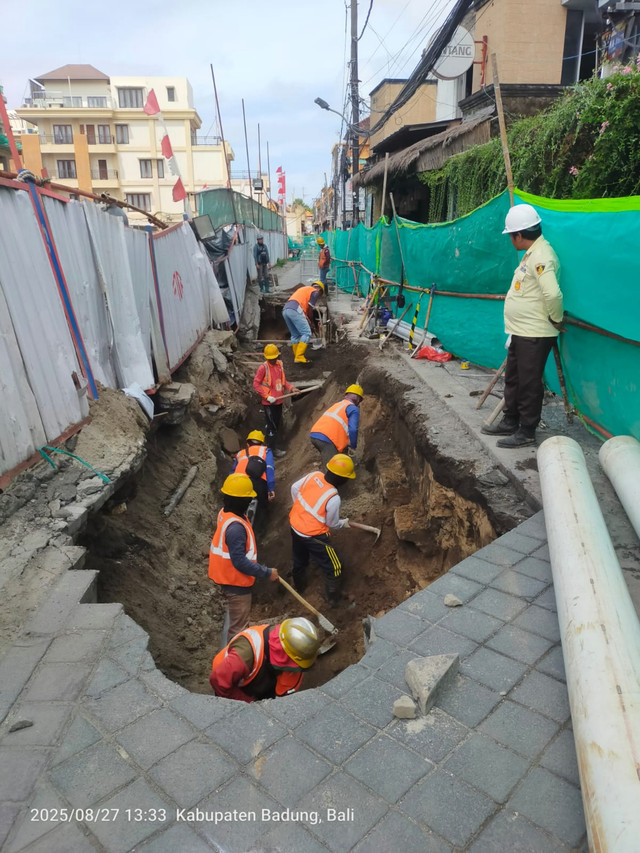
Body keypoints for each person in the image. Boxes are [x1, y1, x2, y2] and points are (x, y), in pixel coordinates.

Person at [482, 204, 564, 448]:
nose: (510, 239)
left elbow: (553, 294)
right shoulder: (531, 254)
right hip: (522, 331)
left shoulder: (542, 256)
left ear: (519, 235)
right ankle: (511, 420)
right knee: (514, 378)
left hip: (536, 332)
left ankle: (527, 430)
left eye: (510, 235)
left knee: (529, 381)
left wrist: (556, 319)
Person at [209, 473, 278, 644]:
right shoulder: (235, 528)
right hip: (236, 583)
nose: (250, 501)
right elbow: (239, 561)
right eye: (248, 499)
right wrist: (266, 572)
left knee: (236, 623)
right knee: (238, 629)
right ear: (242, 501)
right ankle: (233, 662)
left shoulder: (225, 513)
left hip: (227, 577)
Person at [289, 453, 355, 606]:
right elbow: (332, 524)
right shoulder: (333, 497)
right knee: (335, 566)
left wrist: (300, 508)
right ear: (342, 479)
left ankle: (300, 588)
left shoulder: (315, 475)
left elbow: (294, 488)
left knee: (299, 558)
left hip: (295, 524)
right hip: (312, 535)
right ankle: (333, 599)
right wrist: (343, 523)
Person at [209, 617, 321, 702]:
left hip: (261, 680)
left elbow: (283, 698)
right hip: (231, 684)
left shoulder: (294, 656)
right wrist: (249, 705)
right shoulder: (245, 654)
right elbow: (219, 683)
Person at [252, 344, 298, 456]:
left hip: (279, 401)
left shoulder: (279, 366)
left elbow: (283, 381)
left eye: (274, 358)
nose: (273, 360)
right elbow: (256, 384)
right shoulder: (263, 368)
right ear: (267, 358)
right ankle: (271, 450)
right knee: (271, 426)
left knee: (276, 425)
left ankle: (272, 444)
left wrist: (291, 388)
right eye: (270, 359)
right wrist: (267, 397)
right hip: (269, 403)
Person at [230, 430, 275, 531]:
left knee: (236, 507)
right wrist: (270, 488)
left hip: (238, 482)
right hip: (258, 483)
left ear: (247, 444)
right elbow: (269, 468)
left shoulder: (240, 454)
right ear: (262, 443)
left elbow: (232, 472)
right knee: (262, 507)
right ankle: (258, 533)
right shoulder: (266, 451)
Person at [310, 384, 363, 466]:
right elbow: (353, 430)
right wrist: (353, 447)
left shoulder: (338, 404)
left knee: (328, 458)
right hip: (326, 440)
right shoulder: (353, 409)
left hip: (314, 434)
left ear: (346, 395)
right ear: (358, 400)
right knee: (331, 469)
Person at [282, 281, 324, 364]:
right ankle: (299, 356)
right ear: (319, 290)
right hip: (296, 310)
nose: (318, 297)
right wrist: (311, 322)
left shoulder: (304, 289)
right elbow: (309, 309)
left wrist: (308, 320)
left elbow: (303, 307)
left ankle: (296, 356)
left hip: (286, 310)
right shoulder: (314, 292)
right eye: (320, 295)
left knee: (295, 334)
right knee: (307, 333)